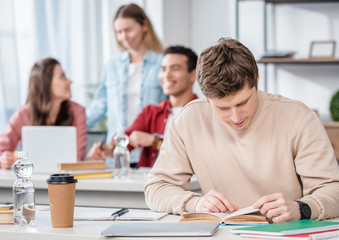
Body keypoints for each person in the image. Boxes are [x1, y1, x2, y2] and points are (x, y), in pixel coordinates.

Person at [144, 38, 339, 223]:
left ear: (257, 80)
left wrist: (302, 208)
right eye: (223, 108)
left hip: (285, 234)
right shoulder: (188, 120)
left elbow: (338, 194)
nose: (236, 117)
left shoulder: (299, 118)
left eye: (243, 102)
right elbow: (156, 188)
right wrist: (194, 204)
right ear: (207, 98)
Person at [87, 46, 198, 167]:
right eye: (163, 69)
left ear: (193, 75)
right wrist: (106, 150)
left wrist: (154, 142)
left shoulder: (203, 113)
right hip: (149, 183)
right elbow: (125, 138)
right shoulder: (151, 112)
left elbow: (193, 155)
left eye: (175, 69)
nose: (167, 75)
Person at [86, 3, 167, 146]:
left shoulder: (163, 63)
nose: (123, 37)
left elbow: (171, 107)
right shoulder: (112, 65)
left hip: (149, 147)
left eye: (128, 30)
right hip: (117, 148)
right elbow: (99, 104)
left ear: (144, 26)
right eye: (118, 32)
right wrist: (71, 126)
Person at [0, 57, 87, 169]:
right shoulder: (23, 114)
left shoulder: (77, 112)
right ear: (46, 83)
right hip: (32, 179)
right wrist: (3, 159)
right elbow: (1, 150)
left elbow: (77, 158)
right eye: (62, 77)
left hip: (65, 180)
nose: (70, 81)